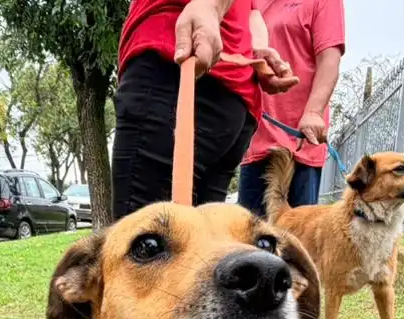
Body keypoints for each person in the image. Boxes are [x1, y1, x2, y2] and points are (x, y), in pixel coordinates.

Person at [112, 0, 299, 219]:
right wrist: (258, 51)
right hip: (236, 96)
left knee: (136, 238)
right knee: (203, 247)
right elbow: (253, 13)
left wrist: (210, 5)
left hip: (180, 71)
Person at [237, 0, 345, 217]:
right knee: (247, 240)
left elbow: (329, 60)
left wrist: (313, 112)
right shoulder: (252, 3)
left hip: (299, 142)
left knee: (294, 241)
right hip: (256, 141)